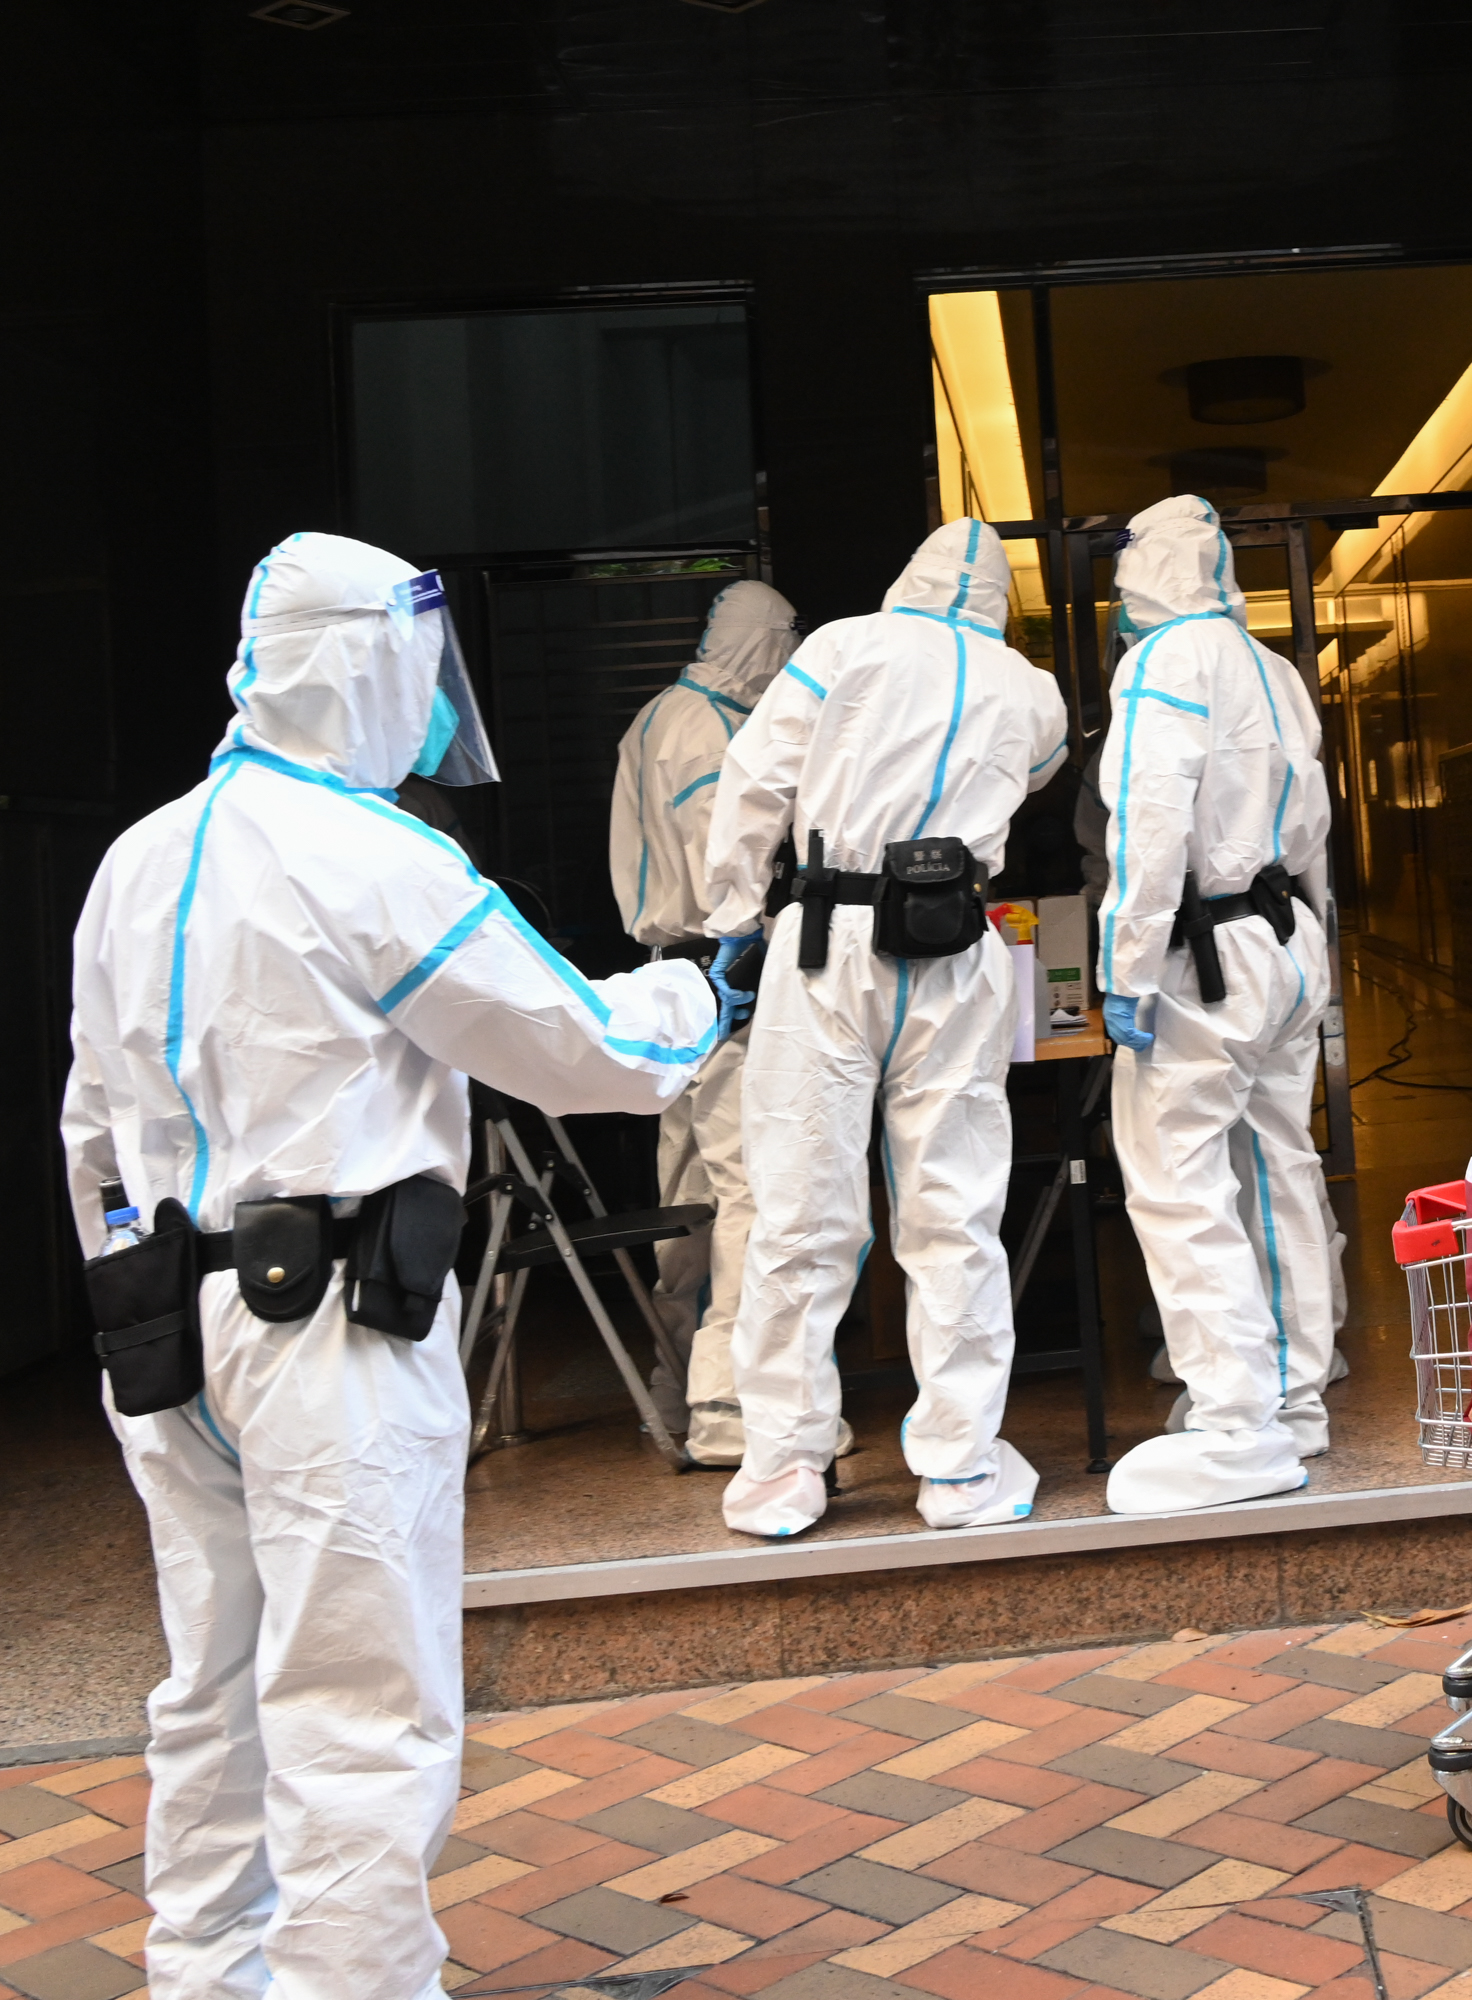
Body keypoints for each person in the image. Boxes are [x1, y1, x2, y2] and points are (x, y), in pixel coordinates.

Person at [64, 533, 721, 2000]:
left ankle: (207, 1974)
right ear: (369, 663)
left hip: (169, 1322)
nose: (432, 705)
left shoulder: (138, 858)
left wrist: (125, 1287)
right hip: (332, 1333)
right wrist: (696, 997)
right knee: (361, 1694)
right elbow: (575, 1045)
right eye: (420, 669)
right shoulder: (375, 856)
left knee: (214, 1679)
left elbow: (89, 1127)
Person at [702, 520, 1069, 1538]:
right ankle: (959, 1468)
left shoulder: (840, 647)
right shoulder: (1031, 689)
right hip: (957, 948)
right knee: (955, 1216)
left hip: (827, 940)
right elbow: (1036, 774)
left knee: (799, 1210)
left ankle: (782, 1467)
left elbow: (754, 779)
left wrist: (731, 915)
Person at [1096, 495, 1342, 1514]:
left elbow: (1148, 817)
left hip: (1203, 952)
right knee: (1280, 1167)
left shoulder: (1163, 661)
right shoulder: (1272, 667)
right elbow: (1314, 816)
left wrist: (1126, 963)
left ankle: (1235, 1418)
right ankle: (1296, 1399)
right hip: (1284, 936)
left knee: (1178, 1181)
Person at [609, 577, 800, 1466]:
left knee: (686, 1194)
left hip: (671, 980)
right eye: (785, 640)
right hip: (725, 976)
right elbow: (724, 867)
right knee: (747, 1188)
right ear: (762, 642)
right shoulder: (709, 733)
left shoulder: (656, 717)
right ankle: (729, 1403)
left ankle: (676, 1379)